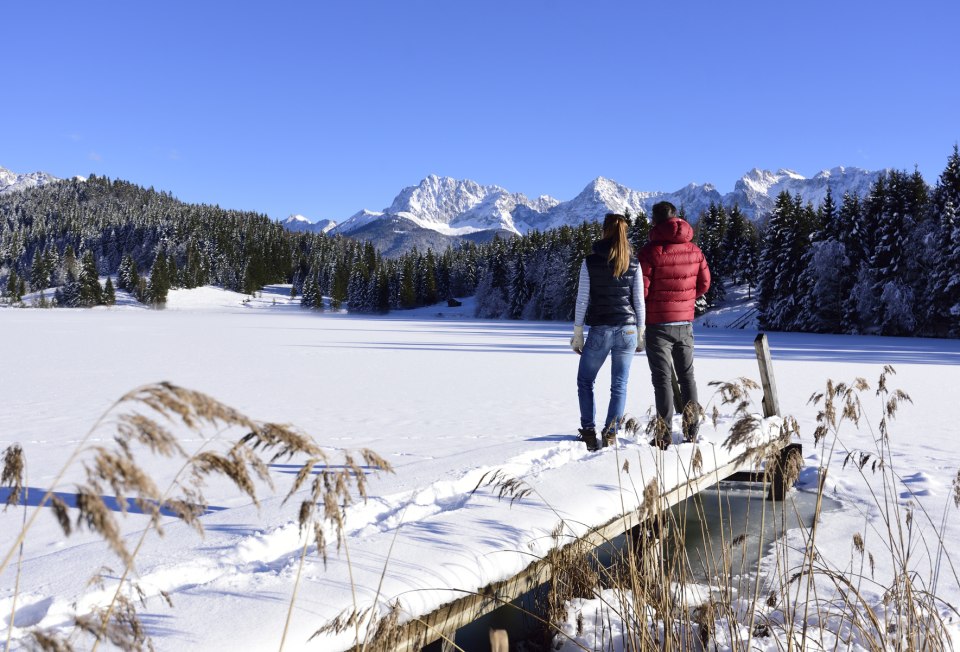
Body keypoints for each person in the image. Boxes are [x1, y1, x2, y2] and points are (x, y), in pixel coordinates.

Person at [570, 213, 645, 451]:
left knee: (585, 380)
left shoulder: (590, 261)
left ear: (604, 231)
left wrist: (578, 331)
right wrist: (641, 331)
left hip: (601, 328)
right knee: (619, 385)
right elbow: (639, 302)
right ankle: (611, 432)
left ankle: (589, 431)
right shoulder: (633, 262)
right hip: (628, 330)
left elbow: (582, 299)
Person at [639, 201, 711, 448]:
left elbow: (642, 291)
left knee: (662, 379)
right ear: (677, 218)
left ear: (655, 221)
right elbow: (704, 284)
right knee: (687, 377)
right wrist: (685, 299)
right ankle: (692, 430)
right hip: (685, 323)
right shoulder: (695, 250)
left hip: (658, 324)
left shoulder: (650, 252)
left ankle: (664, 434)